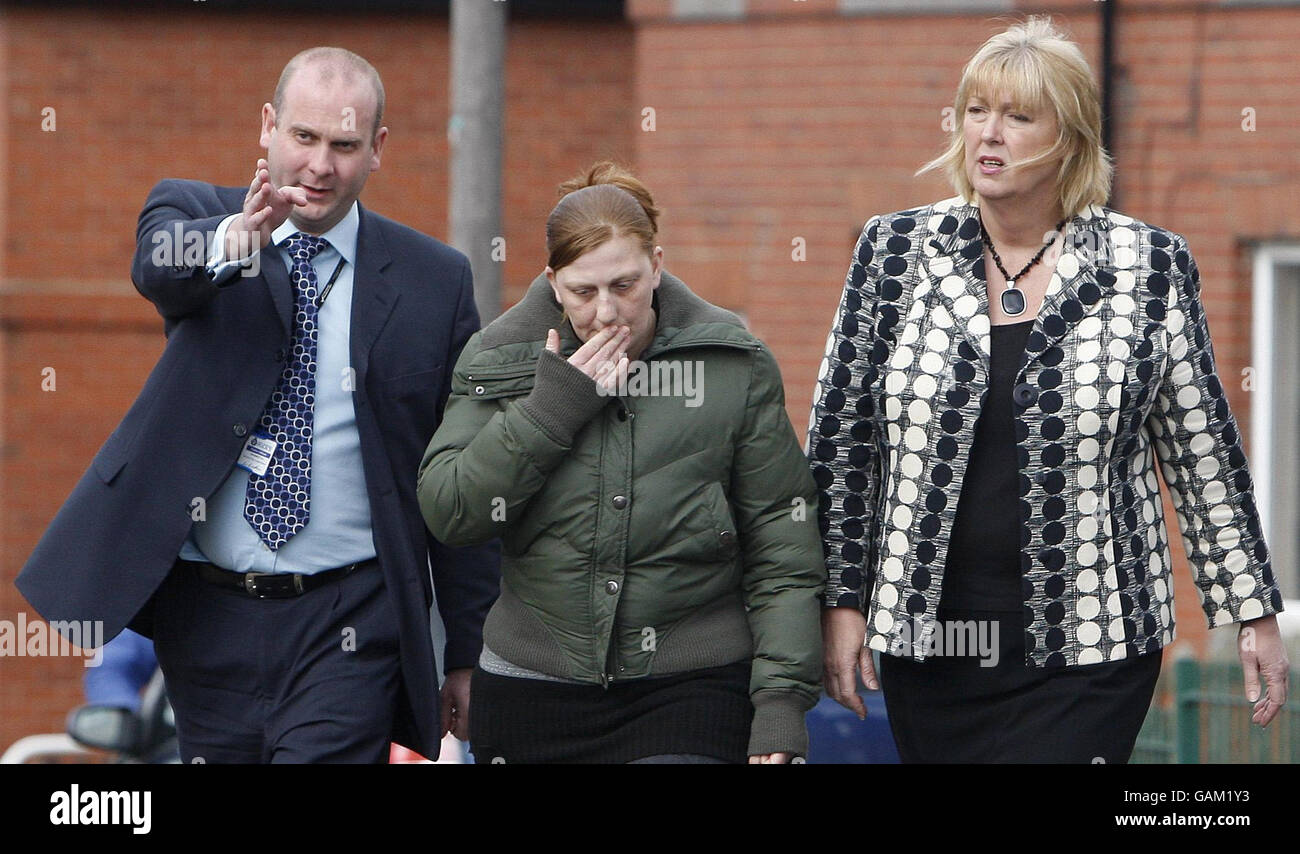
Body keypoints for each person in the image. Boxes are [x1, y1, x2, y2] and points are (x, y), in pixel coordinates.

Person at [811, 17, 1288, 763]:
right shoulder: (893, 252)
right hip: (932, 644)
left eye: (1018, 116)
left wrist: (1253, 611)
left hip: (1093, 644)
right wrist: (839, 603)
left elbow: (1203, 458)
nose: (988, 134)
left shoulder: (1148, 265)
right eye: (976, 111)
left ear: (1069, 136)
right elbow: (841, 445)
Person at [16, 47, 500, 763]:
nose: (320, 166)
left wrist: (466, 649)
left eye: (344, 145)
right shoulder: (193, 213)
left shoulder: (435, 282)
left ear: (378, 151)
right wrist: (230, 243)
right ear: (268, 127)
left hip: (351, 621)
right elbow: (159, 268)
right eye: (304, 138)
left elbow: (458, 473)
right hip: (209, 616)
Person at [417, 162, 825, 763]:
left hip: (690, 685)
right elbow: (452, 512)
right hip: (533, 688)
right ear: (553, 283)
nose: (607, 313)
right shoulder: (500, 356)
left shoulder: (730, 363)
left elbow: (781, 540)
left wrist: (782, 704)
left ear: (657, 266)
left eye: (625, 286)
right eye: (584, 292)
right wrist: (551, 409)